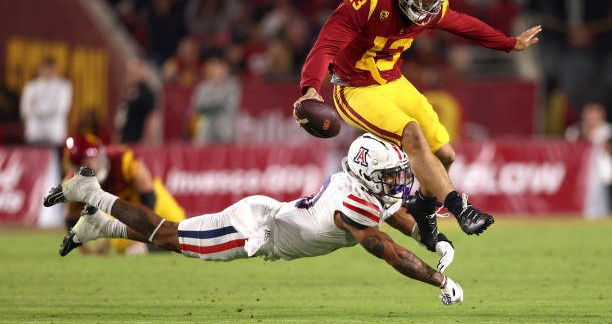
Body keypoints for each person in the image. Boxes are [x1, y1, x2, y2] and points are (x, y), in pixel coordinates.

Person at [293, 0, 542, 250]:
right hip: (355, 87)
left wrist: (509, 43)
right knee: (411, 133)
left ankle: (422, 206)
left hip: (393, 81)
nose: (425, 6)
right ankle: (458, 206)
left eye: (431, 0)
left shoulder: (432, 6)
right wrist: (310, 87)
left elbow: (463, 24)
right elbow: (326, 45)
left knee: (446, 154)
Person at [45, 133, 463, 305]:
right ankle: (92, 194)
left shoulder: (366, 189)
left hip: (268, 222)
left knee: (170, 237)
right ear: (368, 173)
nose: (400, 181)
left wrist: (436, 240)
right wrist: (440, 281)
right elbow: (386, 249)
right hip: (257, 231)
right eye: (391, 175)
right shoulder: (352, 201)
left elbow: (398, 217)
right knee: (169, 236)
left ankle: (101, 225)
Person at [62, 133, 185, 254]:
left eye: (93, 160)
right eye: (84, 165)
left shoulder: (123, 159)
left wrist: (144, 235)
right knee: (125, 246)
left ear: (101, 155)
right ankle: (155, 248)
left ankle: (153, 246)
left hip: (149, 199)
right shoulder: (73, 184)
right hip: (123, 209)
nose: (92, 167)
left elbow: (149, 197)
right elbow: (71, 217)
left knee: (179, 228)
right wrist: (84, 250)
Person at [20, 57, 72, 146]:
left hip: (54, 132)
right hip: (35, 132)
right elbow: (25, 109)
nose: (48, 71)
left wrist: (37, 107)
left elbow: (62, 108)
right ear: (39, 69)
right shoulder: (31, 86)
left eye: (51, 68)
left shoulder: (64, 86)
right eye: (45, 68)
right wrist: (48, 107)